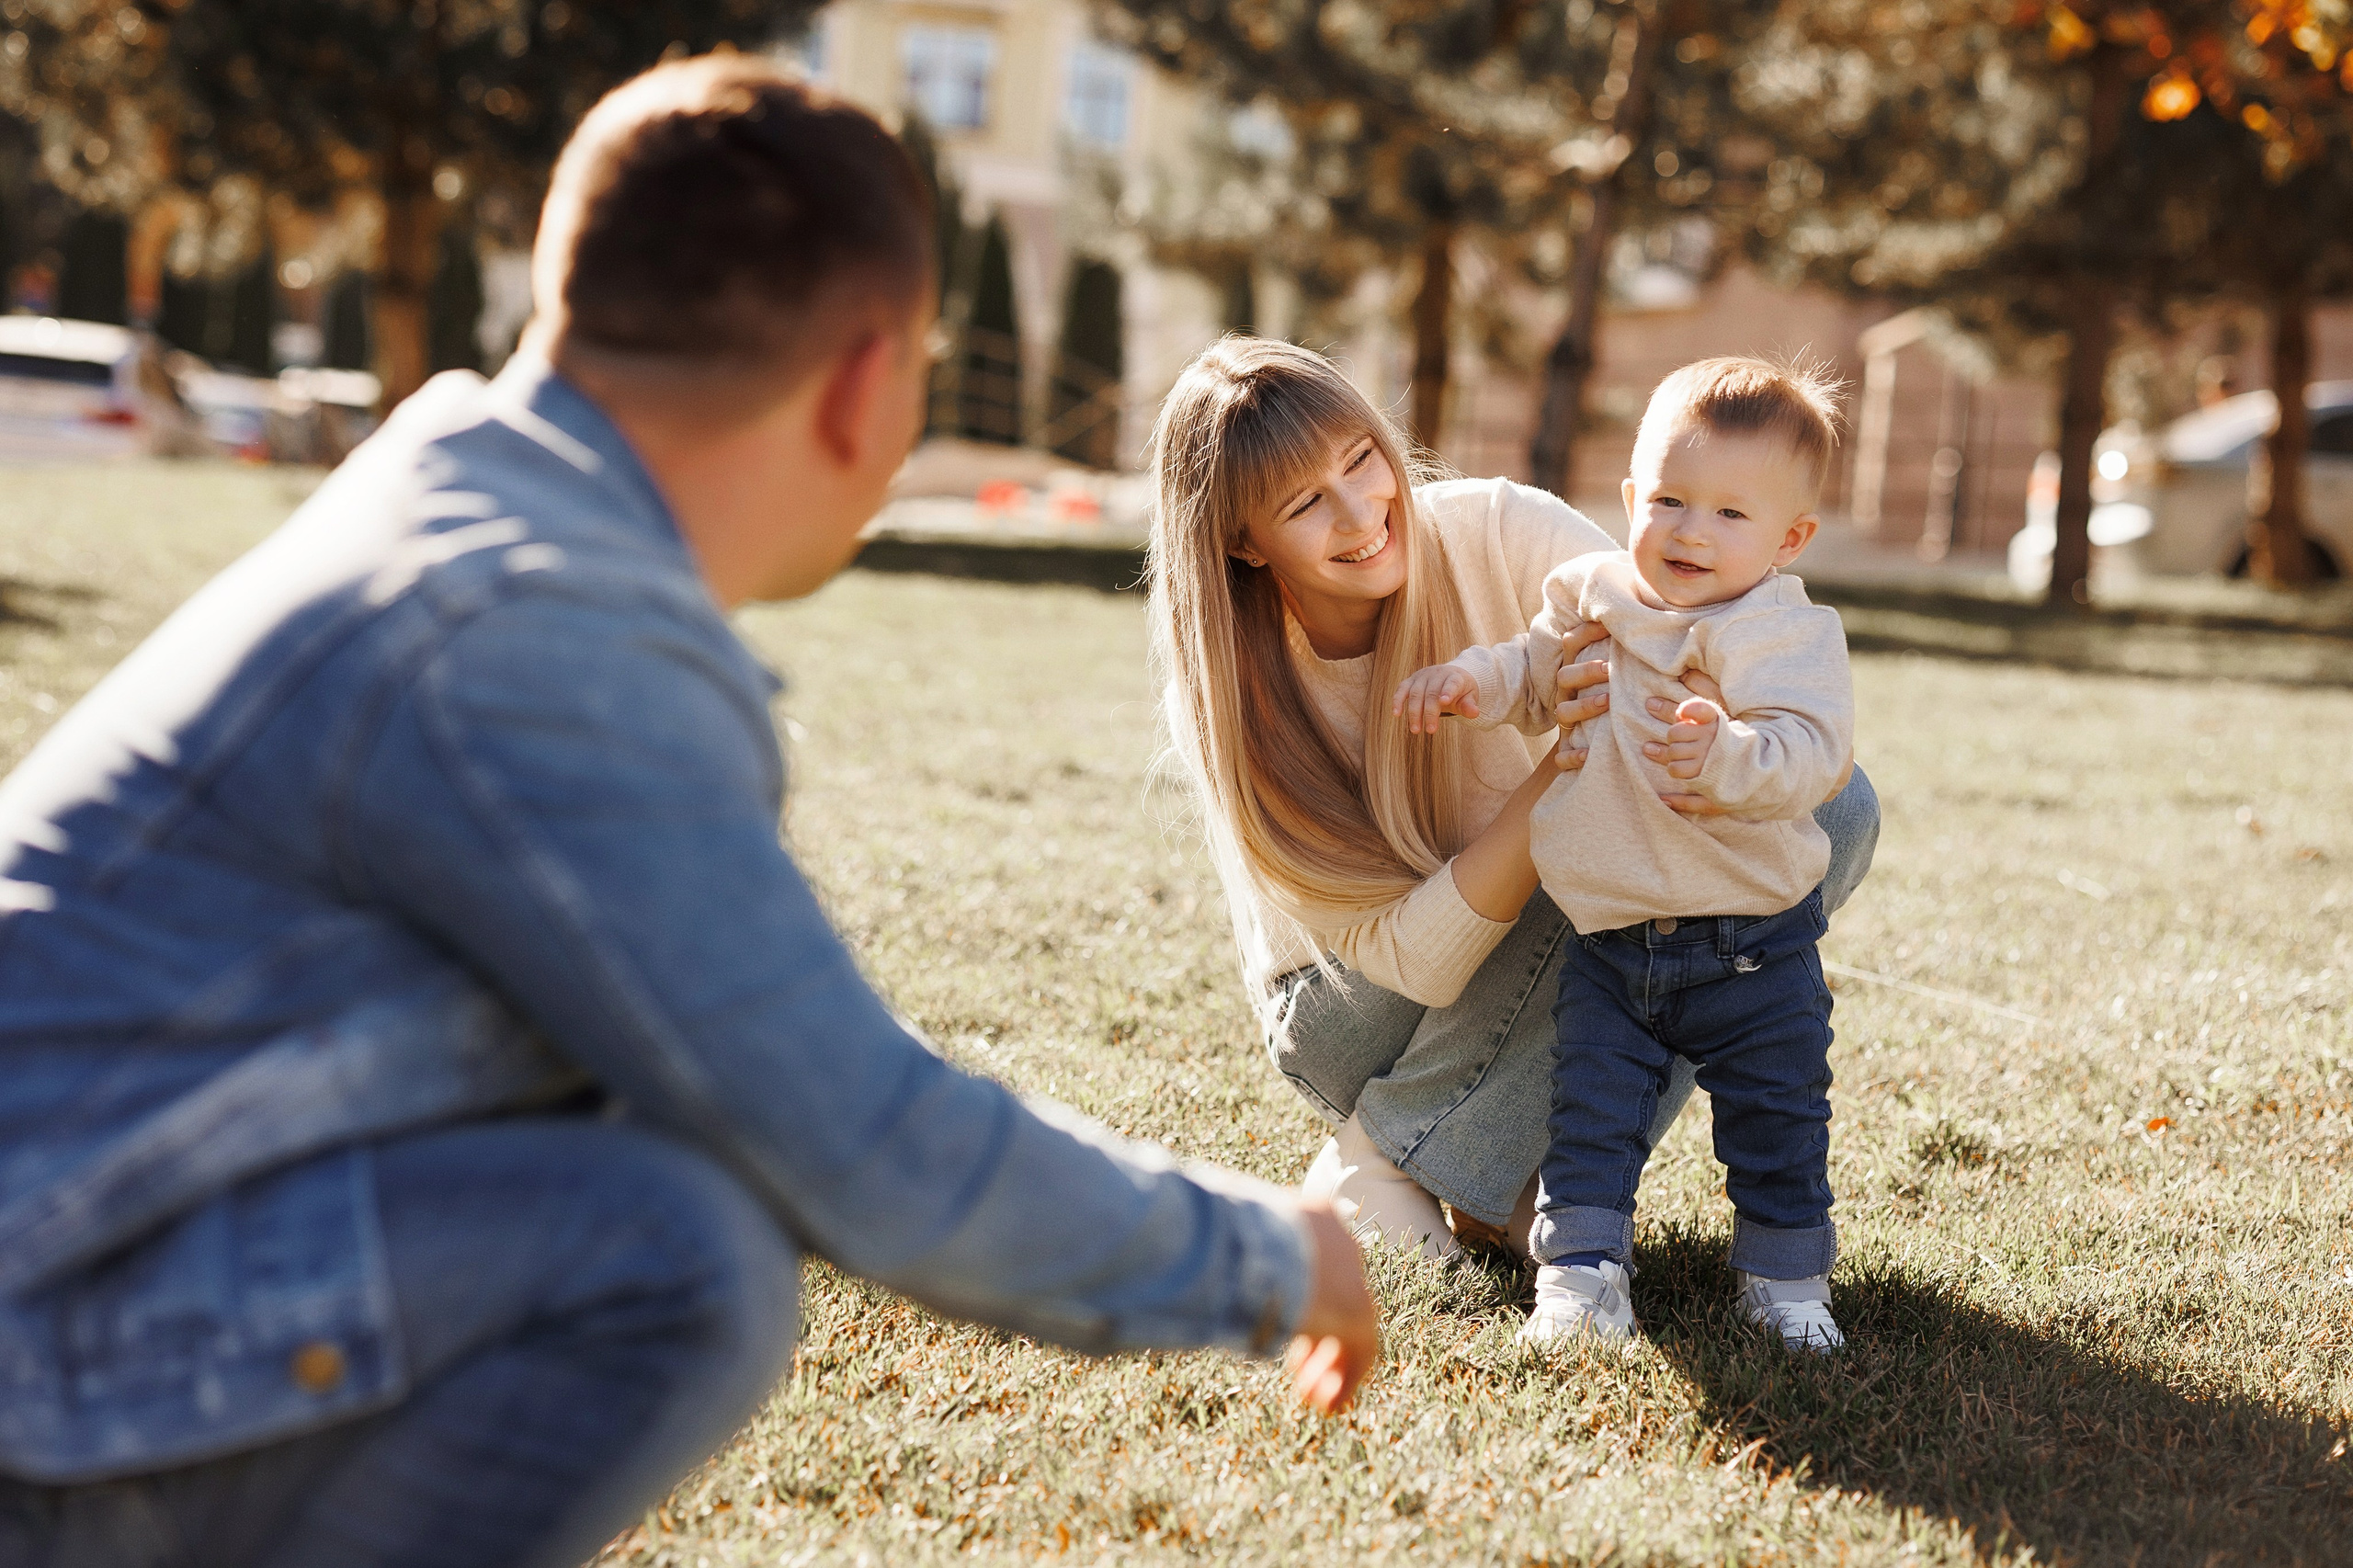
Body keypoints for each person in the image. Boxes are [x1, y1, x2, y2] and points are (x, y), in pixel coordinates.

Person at [0, 59, 1375, 1568]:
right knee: (676, 1250)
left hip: (71, 1284)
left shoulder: (464, 509)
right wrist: (1269, 1253)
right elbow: (864, 1148)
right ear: (867, 381)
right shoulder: (539, 633)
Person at [1146, 337, 1879, 1267]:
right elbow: (1410, 960)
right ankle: (1382, 1154)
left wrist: (1721, 742)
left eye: (1362, 460)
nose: (1360, 512)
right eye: (1304, 503)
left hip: (1527, 953)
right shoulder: (1230, 697)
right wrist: (1561, 770)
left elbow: (1710, 615)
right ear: (1243, 540)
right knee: (1602, 841)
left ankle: (1513, 1172)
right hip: (1354, 1008)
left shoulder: (1500, 529)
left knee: (1830, 811)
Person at [1397, 358, 1853, 1350]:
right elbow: (1533, 667)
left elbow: (1812, 752)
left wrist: (1729, 753)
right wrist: (1474, 681)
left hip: (1753, 944)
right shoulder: (1595, 594)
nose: (1691, 530)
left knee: (1777, 1116)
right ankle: (1580, 1279)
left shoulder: (1780, 630)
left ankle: (1787, 1280)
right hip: (1611, 942)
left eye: (1732, 514)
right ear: (1629, 497)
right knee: (1590, 1121)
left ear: (1790, 537)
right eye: (1670, 499)